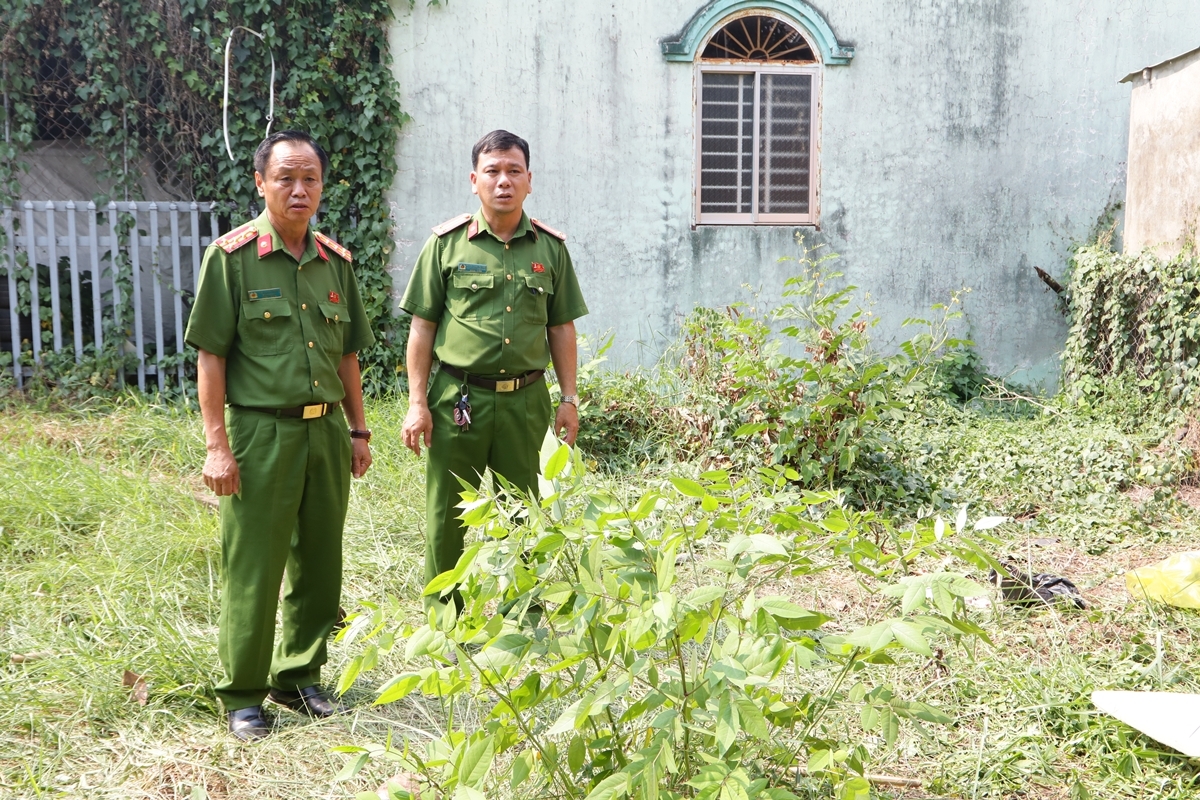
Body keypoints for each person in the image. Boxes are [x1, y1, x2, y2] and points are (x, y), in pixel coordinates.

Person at [185, 130, 375, 741]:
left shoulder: (335, 263)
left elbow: (348, 356)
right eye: (286, 178)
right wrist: (217, 445)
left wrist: (359, 430)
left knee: (321, 560)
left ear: (322, 186)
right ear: (261, 183)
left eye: (310, 179)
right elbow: (211, 357)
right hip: (260, 433)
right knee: (256, 564)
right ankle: (243, 693)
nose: (299, 190)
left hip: (325, 434)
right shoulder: (232, 258)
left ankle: (299, 676)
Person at [400, 129, 588, 612]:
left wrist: (569, 399)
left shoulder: (549, 249)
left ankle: (522, 613)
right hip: (458, 398)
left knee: (523, 507)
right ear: (473, 180)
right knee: (448, 513)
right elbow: (422, 328)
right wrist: (417, 403)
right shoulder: (445, 245)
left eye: (513, 171)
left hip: (526, 399)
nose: (503, 181)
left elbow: (561, 328)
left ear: (529, 181)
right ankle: (445, 619)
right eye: (492, 171)